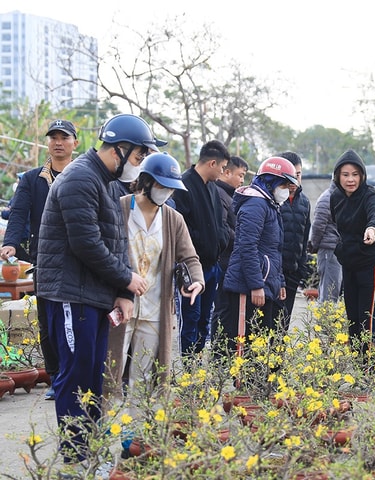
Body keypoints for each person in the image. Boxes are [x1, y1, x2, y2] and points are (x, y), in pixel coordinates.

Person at [35, 113, 157, 466]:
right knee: (76, 373)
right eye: (138, 157)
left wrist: (123, 291)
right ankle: (74, 456)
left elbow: (114, 240)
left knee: (92, 373)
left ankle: (88, 446)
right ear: (119, 149)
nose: (138, 166)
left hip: (93, 294)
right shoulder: (80, 179)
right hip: (72, 295)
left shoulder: (102, 180)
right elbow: (86, 244)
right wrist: (127, 279)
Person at [106, 153, 204, 409]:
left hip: (154, 310)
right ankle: (103, 434)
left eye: (171, 188)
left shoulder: (173, 219)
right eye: (162, 186)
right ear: (146, 181)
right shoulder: (119, 207)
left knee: (145, 377)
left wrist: (196, 281)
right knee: (110, 372)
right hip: (120, 306)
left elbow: (190, 257)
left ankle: (133, 440)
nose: (166, 193)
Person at [0, 119, 79, 401]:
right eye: (53, 137)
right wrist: (10, 243)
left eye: (64, 137)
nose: (58, 142)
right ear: (48, 143)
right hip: (44, 259)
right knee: (48, 320)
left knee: (78, 320)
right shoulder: (32, 180)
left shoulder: (84, 175)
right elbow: (19, 213)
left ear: (75, 143)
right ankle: (57, 377)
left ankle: (79, 376)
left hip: (81, 259)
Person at [221, 156, 299, 357]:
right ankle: (242, 385)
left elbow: (274, 250)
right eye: (283, 184)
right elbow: (247, 247)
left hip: (265, 284)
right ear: (270, 181)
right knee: (244, 340)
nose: (285, 190)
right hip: (247, 286)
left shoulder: (270, 204)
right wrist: (256, 285)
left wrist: (279, 282)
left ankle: (256, 386)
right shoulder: (255, 204)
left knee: (260, 339)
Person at [173, 140, 231, 358]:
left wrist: (221, 239)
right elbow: (181, 227)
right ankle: (188, 365)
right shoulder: (184, 185)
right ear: (213, 163)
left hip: (213, 265)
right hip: (191, 267)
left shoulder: (213, 188)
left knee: (205, 317)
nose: (224, 172)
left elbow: (222, 222)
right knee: (190, 317)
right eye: (223, 167)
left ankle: (197, 359)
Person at [330, 150, 375, 364]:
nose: (350, 179)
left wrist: (372, 229)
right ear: (338, 176)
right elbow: (337, 225)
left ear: (362, 175)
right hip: (349, 259)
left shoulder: (370, 194)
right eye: (345, 174)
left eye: (355, 174)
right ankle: (357, 359)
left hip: (370, 258)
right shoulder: (335, 197)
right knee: (352, 312)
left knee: (369, 313)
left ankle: (369, 364)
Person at [211, 155, 248, 353]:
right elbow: (223, 229)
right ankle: (219, 352)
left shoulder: (231, 195)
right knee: (223, 309)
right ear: (227, 172)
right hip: (224, 259)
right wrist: (244, 236)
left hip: (231, 261)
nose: (242, 180)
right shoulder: (219, 194)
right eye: (240, 175)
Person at [277, 152, 312, 326]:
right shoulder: (272, 199)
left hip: (293, 272)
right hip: (273, 272)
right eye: (289, 175)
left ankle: (279, 352)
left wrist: (302, 269)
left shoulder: (304, 202)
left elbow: (305, 238)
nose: (294, 180)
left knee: (284, 322)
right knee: (267, 322)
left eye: (297, 174)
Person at [308, 183, 343, 303]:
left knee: (334, 289)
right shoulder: (327, 198)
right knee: (329, 293)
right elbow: (318, 226)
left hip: (338, 249)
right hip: (329, 250)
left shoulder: (342, 197)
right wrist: (314, 245)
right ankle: (325, 321)